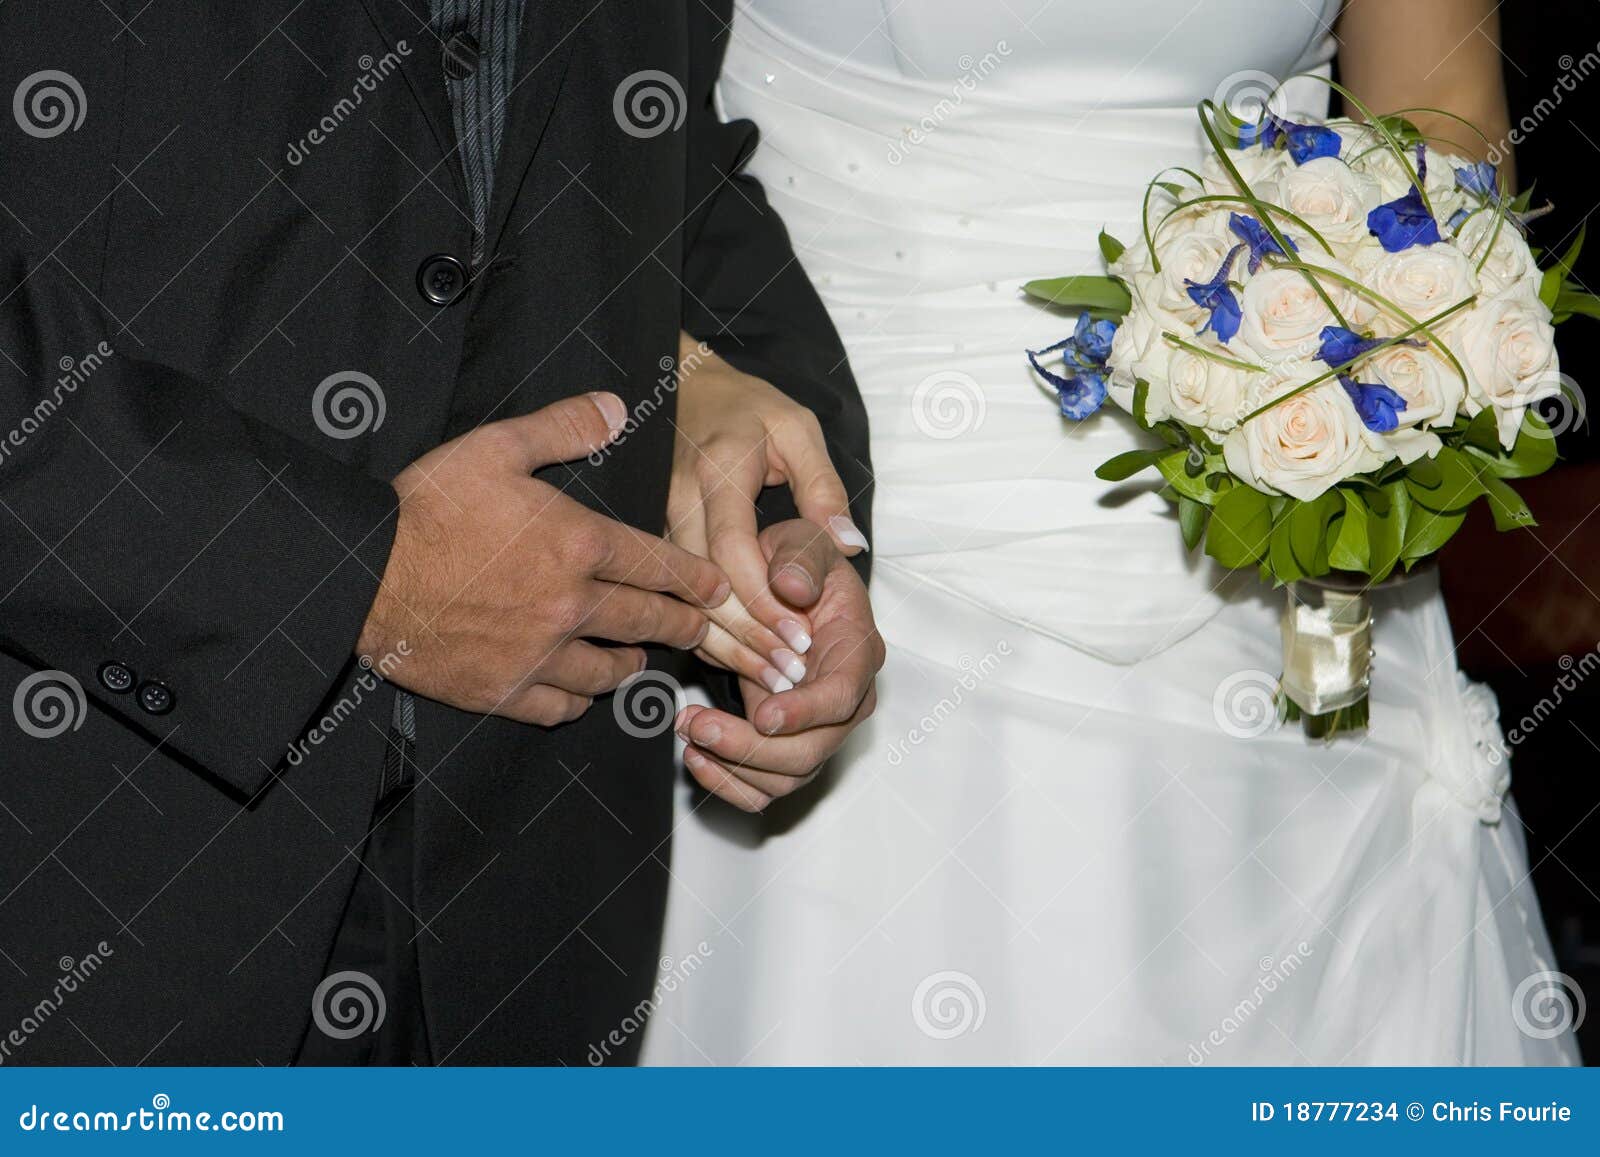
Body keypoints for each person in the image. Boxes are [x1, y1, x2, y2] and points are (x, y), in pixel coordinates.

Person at [645, 0, 1583, 1064]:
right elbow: (567, 128)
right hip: (842, 540)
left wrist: (1399, 367)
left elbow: (1444, 109)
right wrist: (678, 374)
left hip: (1294, 564)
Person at [0, 1, 878, 1064]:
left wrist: (770, 501)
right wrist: (343, 569)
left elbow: (662, 163)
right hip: (81, 861)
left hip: (529, 915)